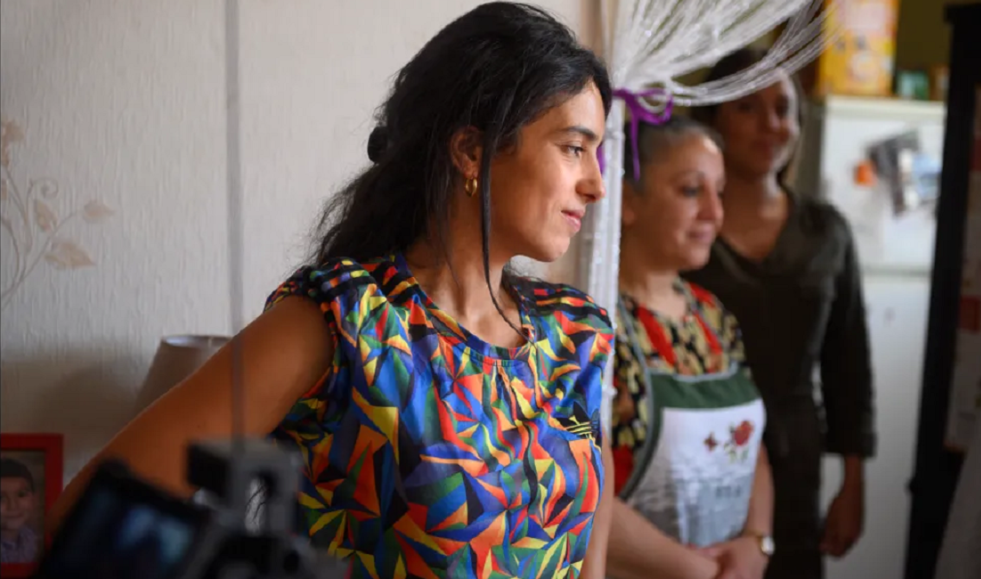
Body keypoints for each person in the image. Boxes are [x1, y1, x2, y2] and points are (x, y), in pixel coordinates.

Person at [47, 4, 618, 578]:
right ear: (471, 151)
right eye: (574, 148)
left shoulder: (578, 336)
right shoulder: (343, 322)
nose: (595, 183)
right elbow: (89, 521)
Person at [686, 47, 877, 579]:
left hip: (796, 458)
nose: (770, 124)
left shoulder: (826, 232)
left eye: (783, 108)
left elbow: (849, 365)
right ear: (713, 119)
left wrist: (853, 485)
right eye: (747, 108)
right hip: (696, 450)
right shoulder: (683, 225)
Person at [606, 116, 774, 579]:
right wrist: (699, 572)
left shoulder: (713, 316)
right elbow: (585, 489)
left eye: (718, 192)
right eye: (690, 191)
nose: (715, 213)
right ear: (628, 201)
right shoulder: (598, 324)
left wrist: (756, 543)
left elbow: (752, 448)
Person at [1, 457, 41, 564]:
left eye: (21, 494)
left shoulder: (33, 539)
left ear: (35, 499)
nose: (13, 506)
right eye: (1, 498)